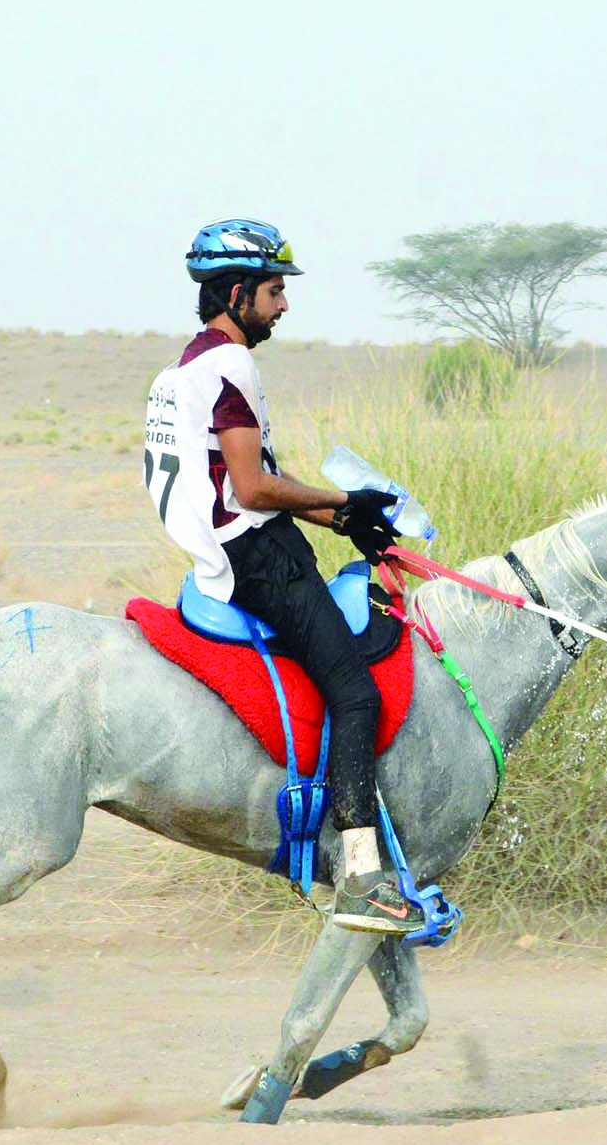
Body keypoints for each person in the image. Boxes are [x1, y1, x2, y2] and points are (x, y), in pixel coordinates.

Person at [143, 221, 417, 933]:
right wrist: (340, 500)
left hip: (254, 546)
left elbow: (254, 480)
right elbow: (254, 489)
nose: (283, 306)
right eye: (273, 291)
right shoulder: (232, 368)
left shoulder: (191, 366)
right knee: (356, 693)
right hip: (261, 558)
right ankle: (361, 877)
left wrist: (343, 518)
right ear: (237, 293)